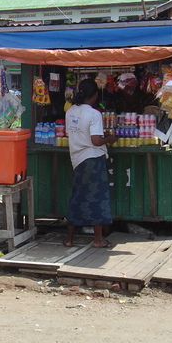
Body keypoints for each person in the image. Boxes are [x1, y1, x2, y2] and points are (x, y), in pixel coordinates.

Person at [64, 78, 117, 249]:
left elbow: (71, 134)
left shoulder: (70, 111)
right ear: (94, 95)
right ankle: (98, 239)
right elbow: (95, 141)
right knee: (97, 199)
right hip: (93, 159)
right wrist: (110, 138)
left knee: (77, 197)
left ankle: (69, 239)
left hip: (76, 159)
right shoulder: (94, 114)